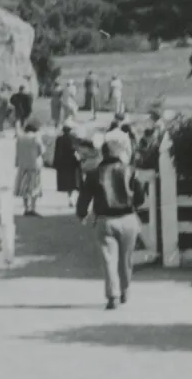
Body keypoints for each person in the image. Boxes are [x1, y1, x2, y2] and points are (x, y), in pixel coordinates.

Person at [76, 130, 145, 310]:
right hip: (128, 219)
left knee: (109, 259)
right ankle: (125, 289)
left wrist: (82, 214)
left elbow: (84, 197)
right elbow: (140, 197)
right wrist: (134, 206)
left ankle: (112, 295)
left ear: (103, 154)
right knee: (126, 258)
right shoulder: (130, 171)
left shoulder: (94, 173)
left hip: (105, 220)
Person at [14, 119, 46, 216]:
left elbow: (17, 152)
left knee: (24, 187)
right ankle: (33, 207)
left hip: (23, 165)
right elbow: (41, 151)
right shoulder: (36, 138)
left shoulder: (20, 138)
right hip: (34, 165)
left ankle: (26, 207)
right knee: (34, 186)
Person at [52, 121, 82, 206]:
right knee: (75, 181)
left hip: (63, 163)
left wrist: (55, 163)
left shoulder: (59, 139)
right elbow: (78, 150)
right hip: (73, 162)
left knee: (68, 183)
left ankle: (70, 198)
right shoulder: (75, 139)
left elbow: (57, 152)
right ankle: (73, 198)